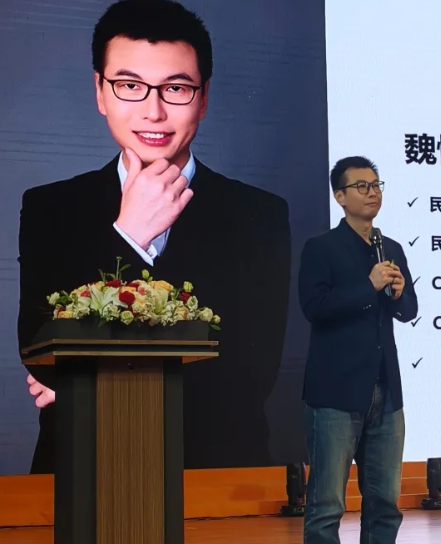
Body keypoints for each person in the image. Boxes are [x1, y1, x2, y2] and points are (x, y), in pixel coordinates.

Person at [18, 0, 291, 473]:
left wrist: (82, 384)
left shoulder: (259, 215)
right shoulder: (50, 207)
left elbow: (248, 378)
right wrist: (129, 236)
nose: (153, 111)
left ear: (203, 98)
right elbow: (39, 349)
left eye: (176, 88)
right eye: (129, 86)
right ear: (100, 92)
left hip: (215, 476)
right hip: (80, 474)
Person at [298, 156, 418, 544]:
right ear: (340, 196)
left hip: (385, 393)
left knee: (385, 504)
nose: (372, 193)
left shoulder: (391, 248)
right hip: (336, 392)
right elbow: (314, 308)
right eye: (362, 186)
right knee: (326, 505)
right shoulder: (321, 248)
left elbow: (409, 310)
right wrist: (369, 286)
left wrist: (398, 294)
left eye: (376, 185)